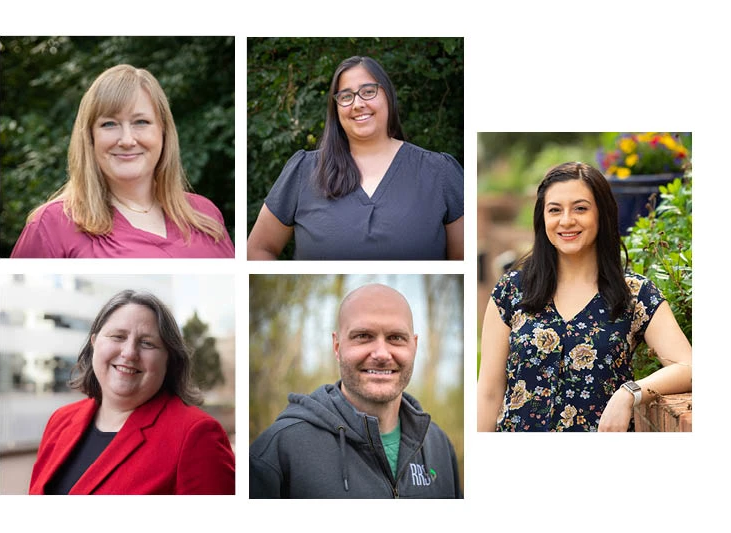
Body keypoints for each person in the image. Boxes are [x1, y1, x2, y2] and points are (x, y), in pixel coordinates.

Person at [477, 162, 693, 432]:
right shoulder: (512, 291)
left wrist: (630, 393)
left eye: (580, 208)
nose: (566, 220)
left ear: (602, 214)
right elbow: (488, 392)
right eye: (555, 210)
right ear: (542, 218)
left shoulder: (635, 294)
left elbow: (688, 366)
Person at [250, 284, 462, 498]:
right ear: (337, 346)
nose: (381, 354)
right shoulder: (280, 448)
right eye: (363, 336)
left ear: (414, 346)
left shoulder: (438, 446)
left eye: (396, 338)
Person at [247, 56, 464, 260]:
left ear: (388, 95)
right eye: (346, 96)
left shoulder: (440, 172)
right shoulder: (304, 170)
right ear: (336, 107)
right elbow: (258, 249)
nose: (358, 104)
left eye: (368, 91)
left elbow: (465, 263)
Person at [10, 65, 234, 258]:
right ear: (90, 137)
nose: (127, 140)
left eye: (141, 122)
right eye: (109, 124)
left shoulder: (206, 215)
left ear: (163, 132)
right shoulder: (52, 225)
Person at [29, 290, 235, 494]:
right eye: (118, 336)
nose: (129, 353)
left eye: (147, 343)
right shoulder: (60, 420)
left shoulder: (196, 436)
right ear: (94, 343)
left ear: (169, 360)